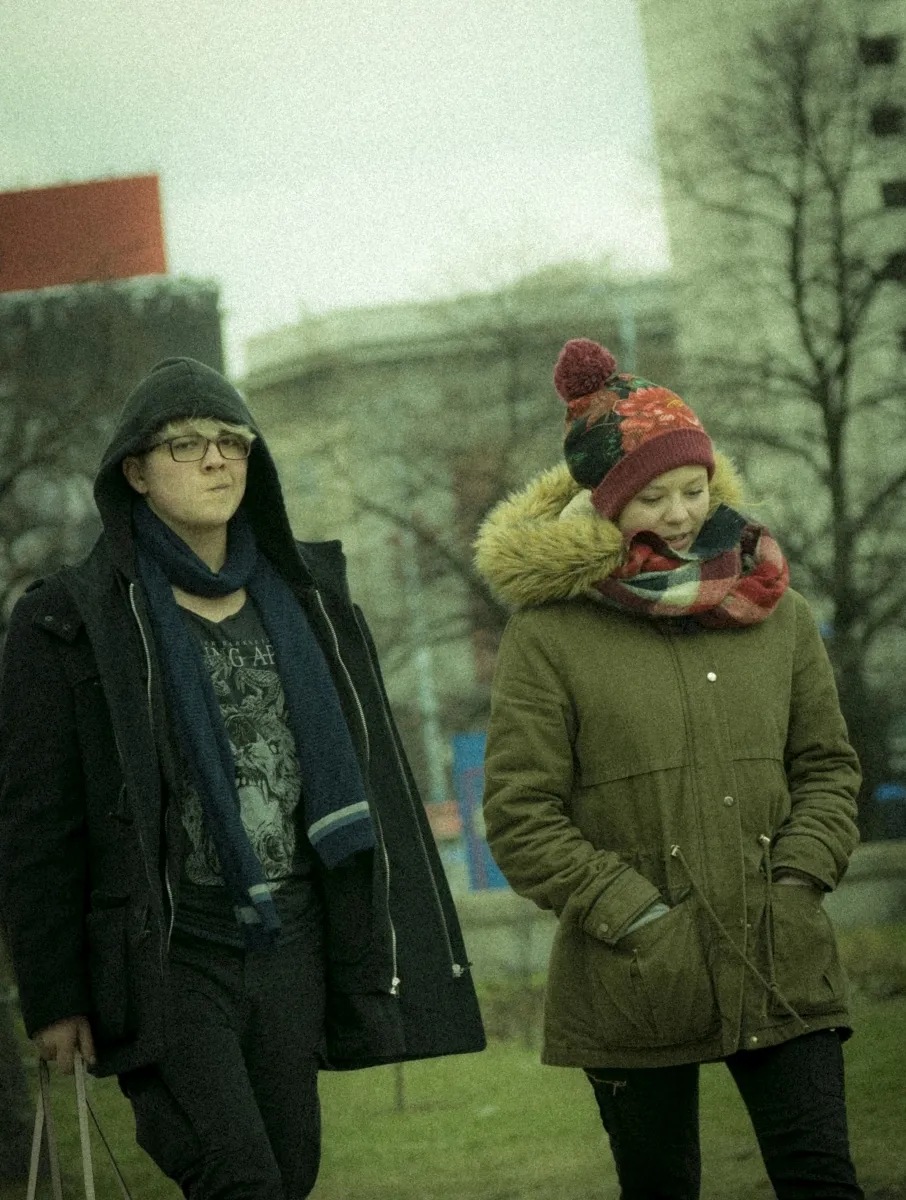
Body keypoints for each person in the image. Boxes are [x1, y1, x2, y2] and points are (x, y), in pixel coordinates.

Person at [0, 357, 485, 1200]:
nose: (217, 459)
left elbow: (375, 780)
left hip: (293, 938)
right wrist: (53, 995)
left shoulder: (311, 603)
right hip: (175, 951)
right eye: (185, 445)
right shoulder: (70, 622)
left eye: (232, 441)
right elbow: (39, 823)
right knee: (242, 1178)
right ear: (137, 473)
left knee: (290, 1174)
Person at [473, 338, 863, 1199]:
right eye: (653, 497)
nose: (683, 513)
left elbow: (830, 767)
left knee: (824, 1182)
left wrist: (798, 878)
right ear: (606, 503)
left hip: (782, 951)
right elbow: (520, 816)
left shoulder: (777, 611)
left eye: (694, 488)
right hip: (633, 980)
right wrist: (638, 916)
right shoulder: (548, 634)